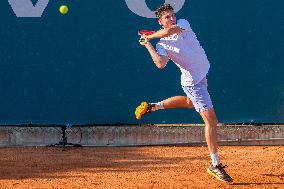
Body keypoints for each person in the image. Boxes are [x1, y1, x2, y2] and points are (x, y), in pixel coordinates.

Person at [135, 4, 233, 182]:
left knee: (190, 102)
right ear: (160, 21)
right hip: (194, 83)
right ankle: (215, 164)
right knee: (211, 121)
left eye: (172, 15)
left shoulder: (183, 23)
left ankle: (154, 106)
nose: (172, 18)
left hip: (200, 76)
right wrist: (148, 44)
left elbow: (169, 31)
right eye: (167, 17)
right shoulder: (162, 44)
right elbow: (160, 64)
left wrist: (150, 35)